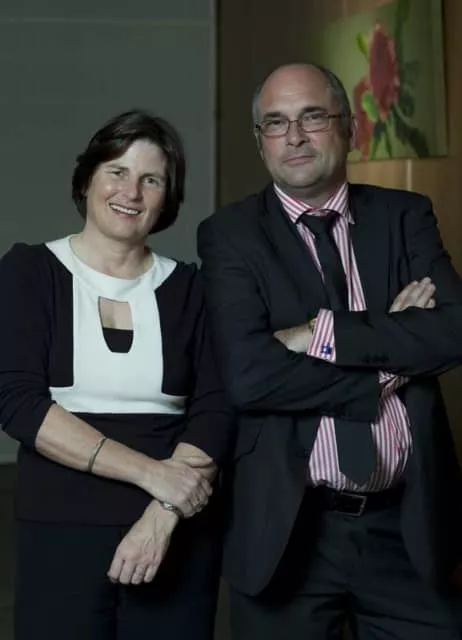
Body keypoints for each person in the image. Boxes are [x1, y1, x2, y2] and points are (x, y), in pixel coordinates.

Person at [197, 63, 462, 639]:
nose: (294, 136)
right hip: (288, 531)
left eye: (312, 116)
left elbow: (453, 330)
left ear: (350, 129)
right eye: (276, 122)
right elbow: (248, 376)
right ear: (260, 142)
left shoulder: (404, 215)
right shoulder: (229, 234)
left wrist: (318, 332)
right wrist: (391, 349)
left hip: (408, 529)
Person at [0, 109, 234, 640]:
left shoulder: (192, 289)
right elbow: (18, 404)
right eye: (118, 171)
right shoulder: (29, 272)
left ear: (167, 199)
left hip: (175, 533)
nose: (132, 191)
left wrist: (164, 509)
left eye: (152, 180)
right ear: (86, 180)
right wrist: (152, 475)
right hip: (59, 531)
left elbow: (217, 406)